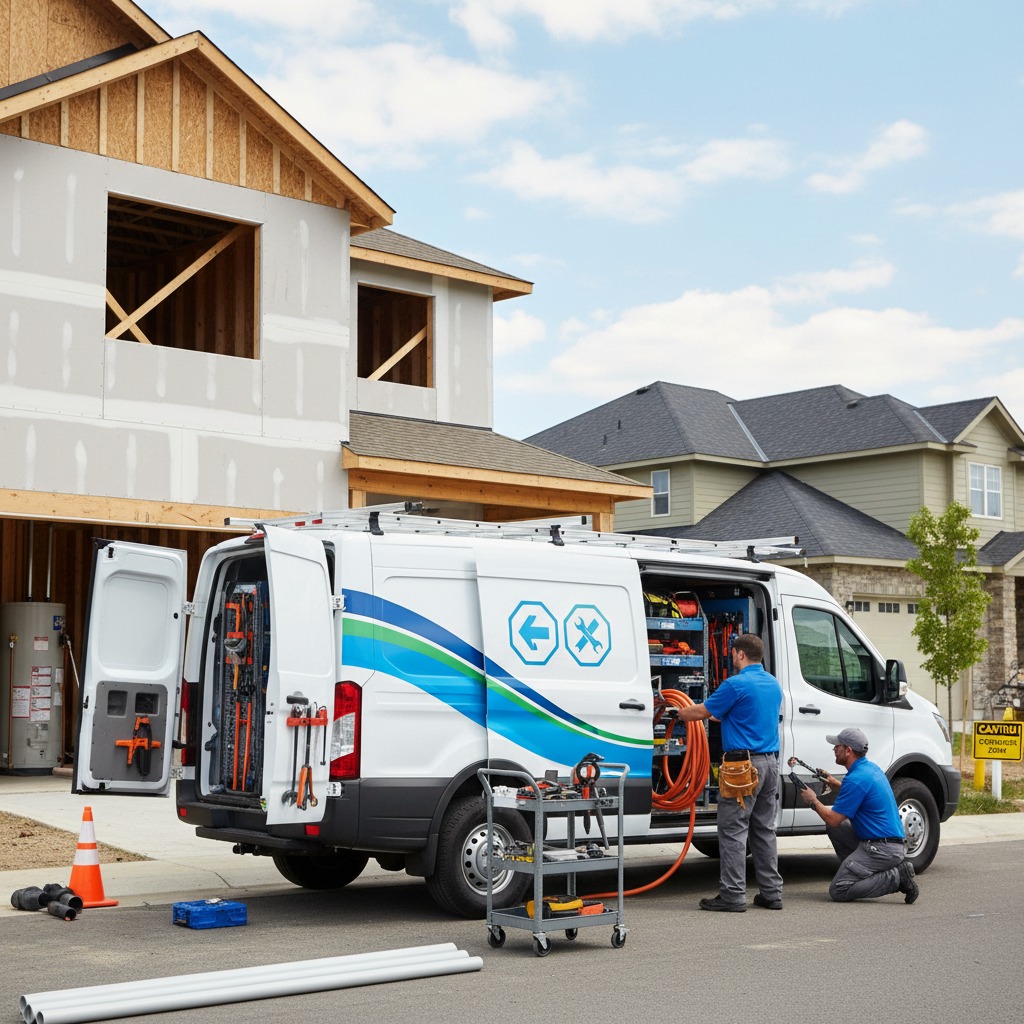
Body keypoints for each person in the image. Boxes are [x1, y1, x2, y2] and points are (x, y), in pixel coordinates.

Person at [677, 632, 783, 912]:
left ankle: (733, 895)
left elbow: (700, 712)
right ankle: (772, 894)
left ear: (740, 654)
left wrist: (677, 711)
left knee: (734, 830)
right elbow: (742, 713)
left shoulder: (735, 685)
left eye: (733, 654)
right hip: (770, 764)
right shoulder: (773, 684)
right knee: (764, 830)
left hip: (742, 767)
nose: (732, 658)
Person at [799, 727, 919, 904]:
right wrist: (836, 784)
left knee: (839, 889)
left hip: (881, 849)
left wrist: (813, 801)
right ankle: (857, 870)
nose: (833, 749)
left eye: (837, 746)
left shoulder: (856, 779)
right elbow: (862, 795)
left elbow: (833, 819)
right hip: (887, 843)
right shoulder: (870, 769)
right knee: (839, 829)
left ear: (848, 751)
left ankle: (897, 876)